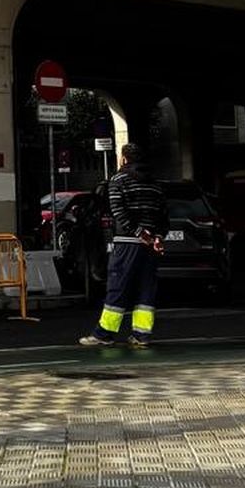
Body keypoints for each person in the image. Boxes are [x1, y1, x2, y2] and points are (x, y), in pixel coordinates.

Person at [79, 143, 167, 348]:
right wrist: (158, 236)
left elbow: (119, 211)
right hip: (150, 245)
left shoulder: (118, 180)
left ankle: (105, 334)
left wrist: (138, 233)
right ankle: (142, 335)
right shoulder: (155, 183)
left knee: (117, 286)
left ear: (124, 159)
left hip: (127, 243)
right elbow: (163, 213)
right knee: (145, 288)